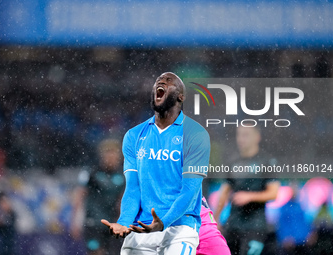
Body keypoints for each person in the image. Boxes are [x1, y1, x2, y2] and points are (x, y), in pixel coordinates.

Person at [101, 72, 210, 254]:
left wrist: (163, 222)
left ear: (180, 97)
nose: (161, 81)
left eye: (169, 81)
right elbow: (133, 188)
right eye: (158, 82)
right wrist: (124, 222)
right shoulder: (134, 136)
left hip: (179, 228)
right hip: (141, 228)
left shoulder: (196, 135)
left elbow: (190, 190)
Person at [214, 125, 280, 255]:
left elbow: (273, 193)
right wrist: (215, 220)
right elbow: (225, 191)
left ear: (257, 137)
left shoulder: (267, 161)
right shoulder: (232, 161)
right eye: (239, 134)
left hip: (255, 228)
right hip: (232, 225)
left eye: (246, 135)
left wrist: (249, 196)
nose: (241, 139)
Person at [71, 139, 125, 255]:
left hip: (112, 224)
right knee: (96, 252)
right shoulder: (91, 173)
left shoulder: (123, 176)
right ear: (102, 156)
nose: (111, 157)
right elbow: (79, 196)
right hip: (93, 223)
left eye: (114, 154)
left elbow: (123, 200)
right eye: (108, 153)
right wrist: (75, 221)